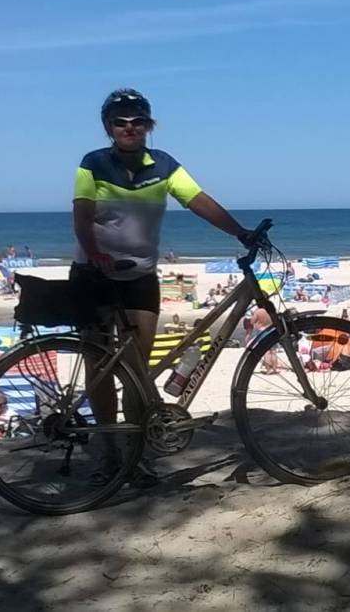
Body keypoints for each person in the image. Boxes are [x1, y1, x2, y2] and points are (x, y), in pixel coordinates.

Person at [74, 89, 248, 485]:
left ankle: (134, 456)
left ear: (148, 126)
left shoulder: (164, 165)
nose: (129, 128)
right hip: (93, 275)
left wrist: (240, 232)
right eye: (120, 122)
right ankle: (109, 453)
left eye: (137, 121)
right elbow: (82, 216)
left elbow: (198, 199)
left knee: (137, 371)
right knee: (99, 366)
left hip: (140, 277)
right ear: (108, 128)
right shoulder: (92, 164)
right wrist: (94, 253)